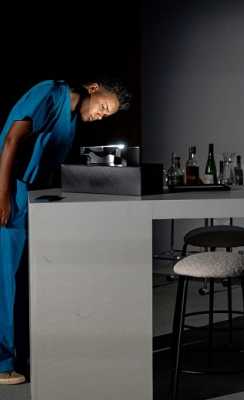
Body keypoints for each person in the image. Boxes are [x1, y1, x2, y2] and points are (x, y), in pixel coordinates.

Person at [0, 78, 131, 384]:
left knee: (23, 277)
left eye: (107, 115)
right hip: (9, 188)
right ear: (94, 88)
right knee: (5, 277)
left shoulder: (71, 117)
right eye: (103, 107)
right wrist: (3, 196)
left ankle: (20, 355)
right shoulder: (52, 93)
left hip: (26, 192)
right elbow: (11, 140)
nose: (101, 115)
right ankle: (2, 361)